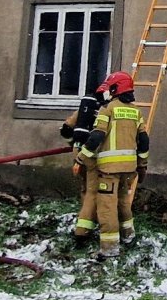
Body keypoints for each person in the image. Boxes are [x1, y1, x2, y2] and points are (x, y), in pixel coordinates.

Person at [80, 71, 149, 258]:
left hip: (109, 170)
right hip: (128, 168)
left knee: (107, 207)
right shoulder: (136, 111)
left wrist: (82, 157)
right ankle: (128, 235)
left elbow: (97, 135)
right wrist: (142, 164)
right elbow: (144, 141)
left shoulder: (108, 109)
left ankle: (109, 248)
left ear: (115, 89)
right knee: (123, 202)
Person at [61, 88, 104, 246]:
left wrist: (74, 144)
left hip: (78, 153)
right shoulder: (104, 109)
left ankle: (85, 215)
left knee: (85, 188)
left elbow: (66, 129)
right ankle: (83, 229)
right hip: (92, 155)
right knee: (93, 191)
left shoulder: (85, 108)